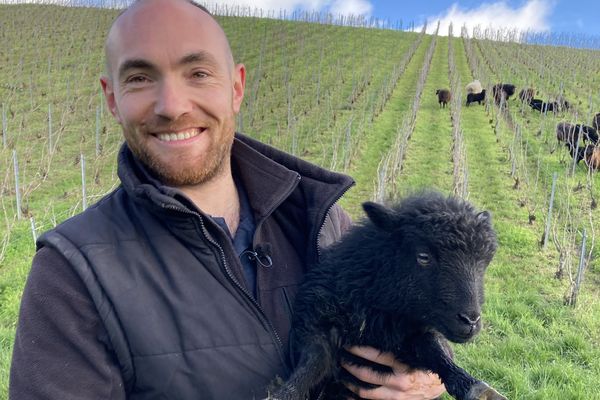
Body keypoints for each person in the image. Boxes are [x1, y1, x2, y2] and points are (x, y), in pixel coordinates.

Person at [9, 0, 446, 399]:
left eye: (198, 73)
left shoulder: (322, 220)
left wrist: (421, 382)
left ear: (236, 87)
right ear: (112, 100)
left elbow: (409, 320)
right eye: (140, 78)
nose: (173, 106)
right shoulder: (71, 275)